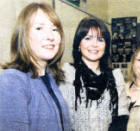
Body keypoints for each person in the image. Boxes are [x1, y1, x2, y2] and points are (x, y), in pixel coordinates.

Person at [0, 2, 71, 130]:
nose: (50, 36)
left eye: (55, 29)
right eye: (39, 28)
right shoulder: (12, 80)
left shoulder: (50, 77)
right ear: (23, 36)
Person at [59, 17, 128, 131]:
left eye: (100, 39)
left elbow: (121, 117)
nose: (94, 44)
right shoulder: (67, 73)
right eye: (88, 38)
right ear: (78, 44)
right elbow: (63, 120)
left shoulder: (116, 77)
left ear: (106, 46)